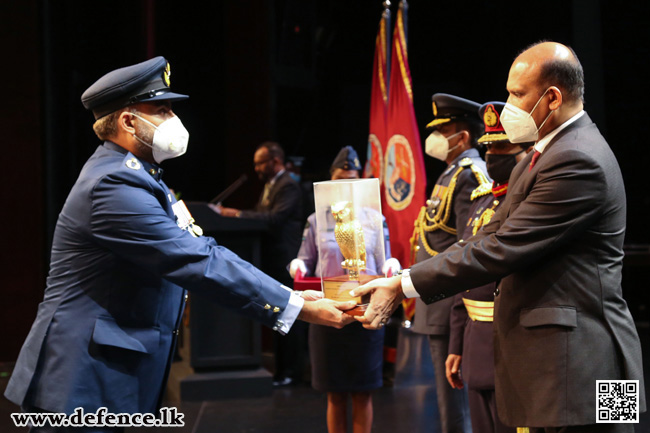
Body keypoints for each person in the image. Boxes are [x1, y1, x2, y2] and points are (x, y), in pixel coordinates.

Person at [4, 57, 355, 432]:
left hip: (111, 371)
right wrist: (297, 307)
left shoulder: (142, 177)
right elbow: (197, 260)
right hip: (84, 378)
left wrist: (291, 295)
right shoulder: (113, 186)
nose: (174, 118)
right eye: (162, 109)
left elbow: (204, 249)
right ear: (127, 121)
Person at [353, 41, 646, 432]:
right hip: (573, 362)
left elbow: (502, 248)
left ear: (552, 98)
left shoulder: (578, 158)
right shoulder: (548, 152)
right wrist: (402, 279)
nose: (507, 104)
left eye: (517, 93)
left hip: (591, 364)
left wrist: (404, 286)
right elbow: (490, 233)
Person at [288, 146, 400, 433]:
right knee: (334, 393)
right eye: (339, 180)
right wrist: (297, 267)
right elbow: (306, 258)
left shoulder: (375, 219)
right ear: (330, 180)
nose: (344, 186)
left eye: (350, 180)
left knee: (363, 391)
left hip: (365, 311)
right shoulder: (317, 220)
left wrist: (390, 266)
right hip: (327, 312)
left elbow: (384, 255)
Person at [446, 101, 531, 433]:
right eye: (489, 147)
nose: (494, 155)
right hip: (479, 340)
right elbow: (463, 269)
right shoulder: (483, 199)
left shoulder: (538, 204)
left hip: (522, 344)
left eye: (503, 146)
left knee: (611, 421)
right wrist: (456, 346)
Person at [410, 93, 491, 433]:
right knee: (448, 398)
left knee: (454, 398)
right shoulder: (450, 173)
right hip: (438, 299)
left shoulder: (470, 174)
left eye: (446, 131)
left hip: (448, 301)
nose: (438, 139)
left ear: (463, 136)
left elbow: (465, 246)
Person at [217, 141, 307, 386]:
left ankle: (292, 372)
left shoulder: (288, 185)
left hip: (285, 261)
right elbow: (259, 214)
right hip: (271, 260)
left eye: (260, 163)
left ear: (275, 161)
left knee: (290, 317)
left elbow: (274, 219)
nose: (256, 168)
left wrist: (236, 214)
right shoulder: (270, 185)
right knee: (278, 316)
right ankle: (281, 370)